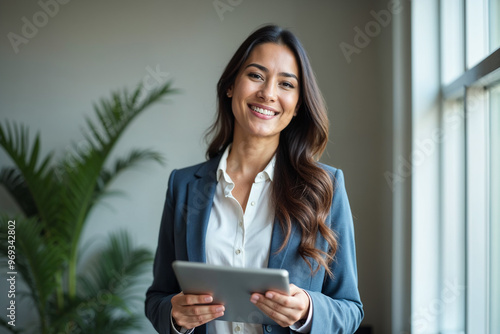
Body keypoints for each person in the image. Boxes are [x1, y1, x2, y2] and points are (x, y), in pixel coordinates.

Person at [145, 24, 363, 334]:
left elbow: (350, 310)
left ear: (298, 104)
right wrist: (175, 315)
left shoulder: (325, 188)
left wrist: (308, 311)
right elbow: (158, 298)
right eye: (256, 76)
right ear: (231, 85)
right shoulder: (183, 186)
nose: (268, 93)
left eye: (286, 84)